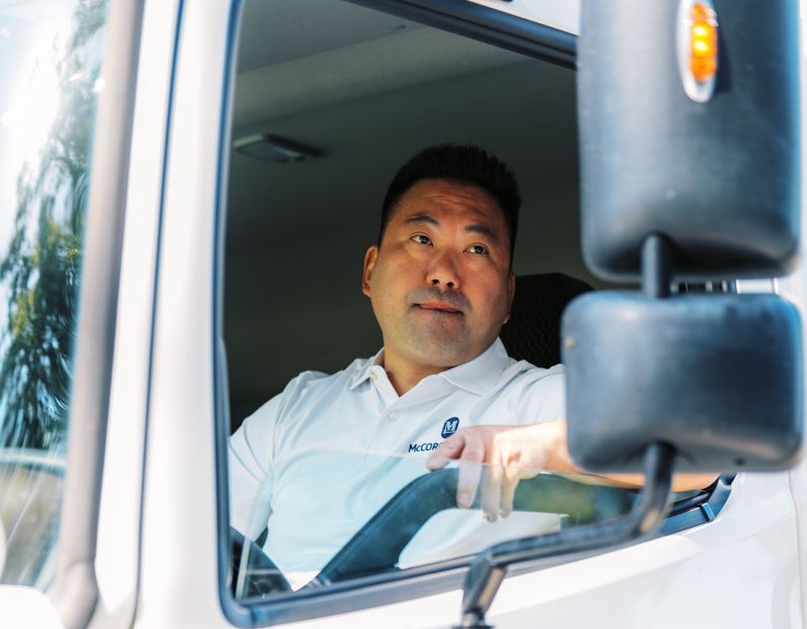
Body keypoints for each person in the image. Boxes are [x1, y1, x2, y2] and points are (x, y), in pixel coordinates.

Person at [228, 143, 704, 589]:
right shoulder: (297, 407)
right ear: (370, 270)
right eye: (421, 239)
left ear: (508, 297)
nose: (444, 273)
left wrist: (530, 447)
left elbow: (698, 450)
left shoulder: (532, 402)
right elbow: (197, 536)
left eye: (477, 250)